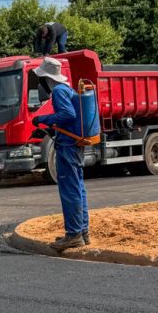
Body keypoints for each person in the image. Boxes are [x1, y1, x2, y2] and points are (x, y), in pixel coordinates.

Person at [34, 57, 89, 251]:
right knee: (78, 188)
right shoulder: (68, 89)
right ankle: (82, 232)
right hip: (74, 144)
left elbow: (68, 115)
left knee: (70, 189)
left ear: (47, 78)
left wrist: (42, 118)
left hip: (68, 146)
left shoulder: (58, 91)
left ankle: (74, 235)